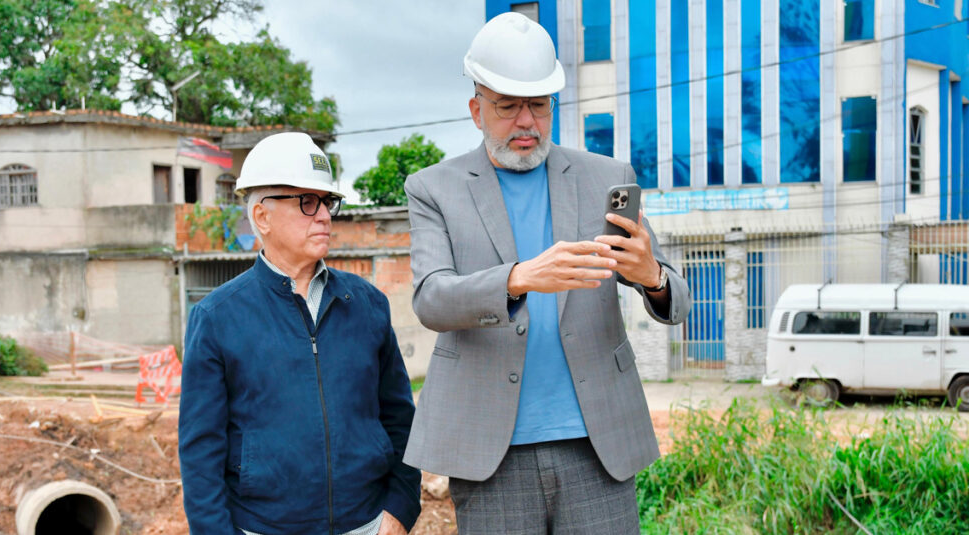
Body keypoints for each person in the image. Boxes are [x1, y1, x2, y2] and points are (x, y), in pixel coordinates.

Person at [402, 12, 691, 535]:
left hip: (597, 445)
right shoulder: (432, 188)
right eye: (507, 107)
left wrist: (653, 276)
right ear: (476, 110)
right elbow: (430, 299)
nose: (526, 122)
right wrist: (518, 278)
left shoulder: (607, 178)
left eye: (538, 105)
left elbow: (675, 296)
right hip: (491, 452)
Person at [178, 133, 421, 535]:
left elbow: (400, 420)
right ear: (262, 216)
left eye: (327, 202)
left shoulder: (367, 304)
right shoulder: (218, 317)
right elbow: (200, 452)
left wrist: (399, 509)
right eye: (307, 202)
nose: (324, 215)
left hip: (368, 525)